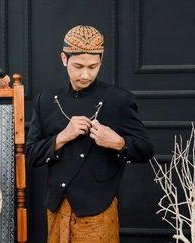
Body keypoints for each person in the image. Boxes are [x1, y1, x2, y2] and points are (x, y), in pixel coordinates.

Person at [26, 25, 154, 242]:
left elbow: (146, 150)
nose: (85, 74)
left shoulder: (119, 99)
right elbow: (31, 155)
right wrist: (62, 137)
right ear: (64, 58)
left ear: (101, 61)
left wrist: (118, 142)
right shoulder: (45, 100)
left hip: (98, 210)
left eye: (93, 67)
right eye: (78, 66)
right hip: (56, 208)